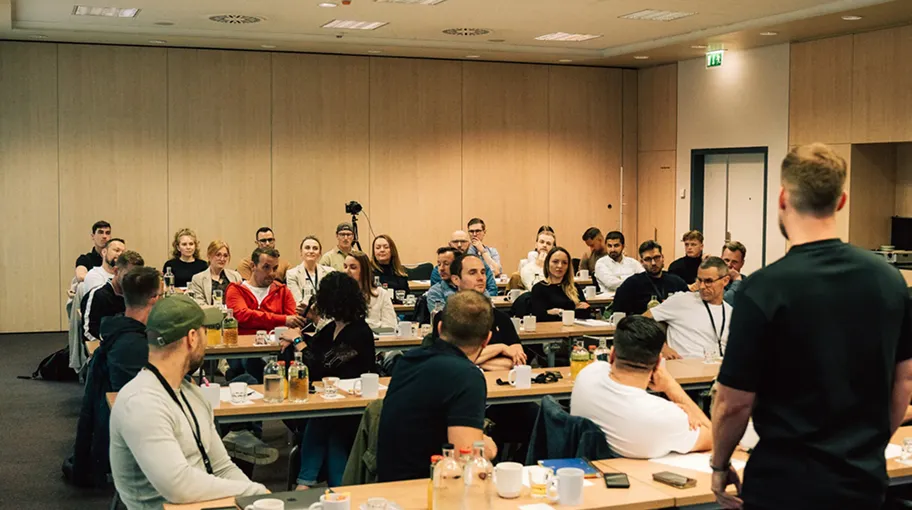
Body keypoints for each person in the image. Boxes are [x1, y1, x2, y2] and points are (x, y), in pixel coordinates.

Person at [711, 144, 912, 510]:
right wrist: (867, 449)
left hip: (783, 486)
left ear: (782, 198)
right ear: (841, 201)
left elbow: (733, 403)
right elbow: (904, 381)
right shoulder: (890, 281)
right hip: (862, 484)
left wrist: (719, 464)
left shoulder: (763, 288)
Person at [109, 295, 268, 509]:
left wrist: (254, 501)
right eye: (205, 332)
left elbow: (222, 467)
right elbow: (179, 486)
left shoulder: (191, 393)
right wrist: (254, 492)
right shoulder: (141, 403)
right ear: (192, 338)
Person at [377, 290, 497, 482]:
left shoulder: (408, 360)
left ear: (439, 328)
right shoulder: (468, 376)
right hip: (427, 486)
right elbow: (465, 460)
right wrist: (489, 448)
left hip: (389, 481)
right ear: (486, 340)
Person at [67, 266, 162, 488]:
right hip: (132, 446)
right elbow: (138, 406)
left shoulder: (118, 333)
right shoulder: (132, 346)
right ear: (154, 299)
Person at [280, 271, 377, 489]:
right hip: (332, 400)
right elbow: (314, 354)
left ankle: (306, 482)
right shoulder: (332, 328)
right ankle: (327, 487)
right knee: (327, 427)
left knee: (325, 422)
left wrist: (297, 341)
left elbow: (324, 365)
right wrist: (294, 340)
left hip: (355, 404)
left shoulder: (359, 333)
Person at [571, 315, 711, 459]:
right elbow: (715, 438)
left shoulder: (587, 374)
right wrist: (670, 386)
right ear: (658, 362)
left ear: (612, 354)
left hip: (587, 467)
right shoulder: (664, 417)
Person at [425, 254, 525, 371]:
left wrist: (468, 361)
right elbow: (447, 360)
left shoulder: (501, 318)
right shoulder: (445, 317)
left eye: (483, 272)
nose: (481, 278)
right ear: (456, 279)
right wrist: (501, 348)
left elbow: (517, 361)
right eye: (472, 273)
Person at [644, 257, 732, 360]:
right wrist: (661, 347)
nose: (702, 286)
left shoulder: (731, 313)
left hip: (718, 366)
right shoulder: (681, 300)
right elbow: (640, 321)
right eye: (699, 280)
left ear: (725, 281)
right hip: (683, 365)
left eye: (708, 281)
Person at [82, 250, 144, 343]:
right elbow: (88, 332)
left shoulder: (139, 296)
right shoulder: (98, 295)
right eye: (128, 276)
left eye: (137, 277)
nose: (132, 281)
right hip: (107, 347)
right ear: (116, 271)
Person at [612, 241, 688, 316]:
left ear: (662, 258)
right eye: (648, 259)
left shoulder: (677, 282)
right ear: (642, 262)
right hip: (642, 323)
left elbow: (689, 308)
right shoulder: (631, 284)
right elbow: (618, 313)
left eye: (656, 257)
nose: (653, 263)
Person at [530, 247, 590, 322]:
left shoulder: (574, 287)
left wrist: (559, 312)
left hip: (574, 327)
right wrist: (573, 311)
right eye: (555, 262)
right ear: (547, 264)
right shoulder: (539, 288)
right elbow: (539, 317)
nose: (560, 266)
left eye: (564, 263)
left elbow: (586, 313)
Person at [430, 230, 497, 296]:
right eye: (455, 242)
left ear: (469, 244)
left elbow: (492, 290)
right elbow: (438, 292)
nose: (459, 245)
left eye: (463, 241)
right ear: (450, 244)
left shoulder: (480, 265)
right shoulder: (439, 270)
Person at [344, 251, 396, 330]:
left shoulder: (381, 294)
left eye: (353, 267)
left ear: (364, 271)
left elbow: (390, 326)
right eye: (345, 267)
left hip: (376, 336)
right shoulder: (339, 294)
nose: (346, 271)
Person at [187, 240, 242, 306]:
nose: (222, 259)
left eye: (225, 256)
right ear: (209, 256)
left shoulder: (235, 276)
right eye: (218, 255)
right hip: (210, 312)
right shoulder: (198, 279)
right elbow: (200, 304)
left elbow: (241, 300)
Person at [286, 236, 335, 305]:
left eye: (315, 248)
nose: (311, 251)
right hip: (303, 311)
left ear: (320, 253)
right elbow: (297, 301)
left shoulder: (329, 272)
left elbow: (331, 298)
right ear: (301, 252)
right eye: (307, 248)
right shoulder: (292, 274)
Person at [425, 247, 458, 315]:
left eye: (446, 264)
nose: (441, 268)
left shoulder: (471, 286)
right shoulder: (435, 291)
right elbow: (444, 318)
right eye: (439, 264)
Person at [720, 241, 747, 306]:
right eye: (726, 260)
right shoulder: (713, 282)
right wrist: (737, 281)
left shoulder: (748, 284)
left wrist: (737, 279)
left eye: (734, 262)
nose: (729, 265)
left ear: (742, 263)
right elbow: (725, 304)